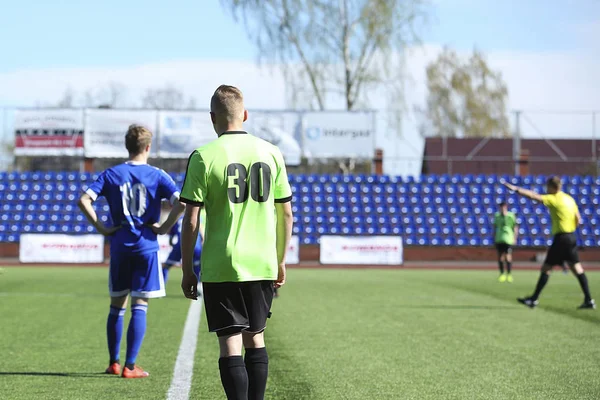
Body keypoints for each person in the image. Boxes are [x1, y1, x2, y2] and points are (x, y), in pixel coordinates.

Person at [178, 85, 294, 400]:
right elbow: (285, 214)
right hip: (262, 261)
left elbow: (191, 220)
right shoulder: (271, 152)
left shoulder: (203, 156)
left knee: (230, 343)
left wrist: (188, 270)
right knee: (255, 339)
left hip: (221, 263)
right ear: (244, 115)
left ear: (213, 118)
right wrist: (281, 260)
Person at [78, 124, 185, 378]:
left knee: (116, 305)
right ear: (148, 147)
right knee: (140, 304)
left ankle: (114, 362)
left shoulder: (112, 174)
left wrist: (103, 228)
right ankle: (129, 366)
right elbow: (181, 203)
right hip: (146, 246)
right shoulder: (158, 175)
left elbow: (83, 200)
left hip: (119, 246)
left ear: (127, 146)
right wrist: (163, 229)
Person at [503, 177, 595, 309]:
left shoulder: (554, 198)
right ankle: (589, 300)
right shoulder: (569, 199)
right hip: (571, 237)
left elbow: (534, 196)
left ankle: (533, 299)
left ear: (551, 187)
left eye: (547, 187)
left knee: (546, 268)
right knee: (577, 268)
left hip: (561, 238)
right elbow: (578, 219)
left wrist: (516, 189)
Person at [162, 208, 205, 286]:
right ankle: (198, 287)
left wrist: (171, 243)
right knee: (197, 267)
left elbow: (170, 234)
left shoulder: (177, 219)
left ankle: (161, 286)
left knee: (166, 266)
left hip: (180, 245)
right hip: (195, 247)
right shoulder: (197, 217)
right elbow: (202, 235)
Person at [493, 201, 518, 283]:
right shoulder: (497, 216)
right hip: (499, 238)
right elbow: (495, 227)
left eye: (503, 206)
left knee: (508, 256)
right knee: (500, 257)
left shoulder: (511, 216)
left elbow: (515, 227)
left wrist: (514, 238)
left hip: (508, 239)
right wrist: (494, 237)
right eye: (501, 207)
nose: (502, 208)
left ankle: (509, 274)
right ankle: (502, 274)